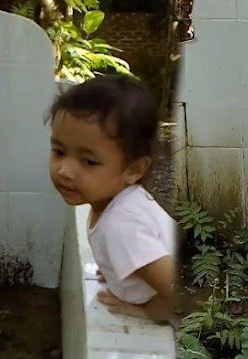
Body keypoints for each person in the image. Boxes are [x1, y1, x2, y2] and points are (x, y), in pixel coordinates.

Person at [47, 75, 177, 323]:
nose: (64, 170)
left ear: (134, 170)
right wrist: (120, 271)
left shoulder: (122, 226)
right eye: (59, 152)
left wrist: (149, 311)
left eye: (88, 161)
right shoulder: (116, 203)